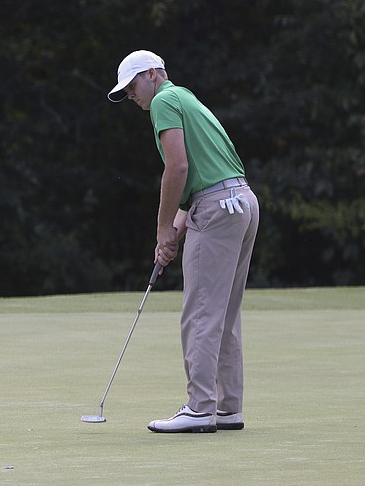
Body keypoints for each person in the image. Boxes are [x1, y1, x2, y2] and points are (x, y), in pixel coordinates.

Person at [107, 50, 259, 433]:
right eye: (124, 93)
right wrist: (172, 234)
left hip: (217, 208)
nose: (132, 97)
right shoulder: (187, 98)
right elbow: (200, 179)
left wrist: (161, 228)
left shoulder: (164, 101)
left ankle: (199, 408)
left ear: (154, 74)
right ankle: (227, 408)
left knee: (201, 313)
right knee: (222, 313)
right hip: (241, 201)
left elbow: (177, 167)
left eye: (133, 86)